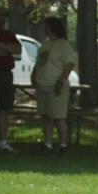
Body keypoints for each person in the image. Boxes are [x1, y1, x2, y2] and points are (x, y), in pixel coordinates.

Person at [31, 17, 76, 155]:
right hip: (42, 84)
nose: (44, 29)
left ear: (54, 28)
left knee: (58, 116)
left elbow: (69, 65)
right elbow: (39, 62)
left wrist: (61, 82)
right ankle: (48, 144)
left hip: (56, 85)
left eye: (47, 27)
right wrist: (34, 76)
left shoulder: (64, 45)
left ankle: (63, 145)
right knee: (45, 115)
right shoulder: (45, 44)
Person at [0, 6, 22, 153]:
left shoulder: (9, 34)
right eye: (0, 17)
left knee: (4, 108)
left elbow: (18, 50)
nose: (2, 21)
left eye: (3, 18)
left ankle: (3, 142)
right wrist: (7, 49)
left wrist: (1, 46)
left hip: (6, 74)